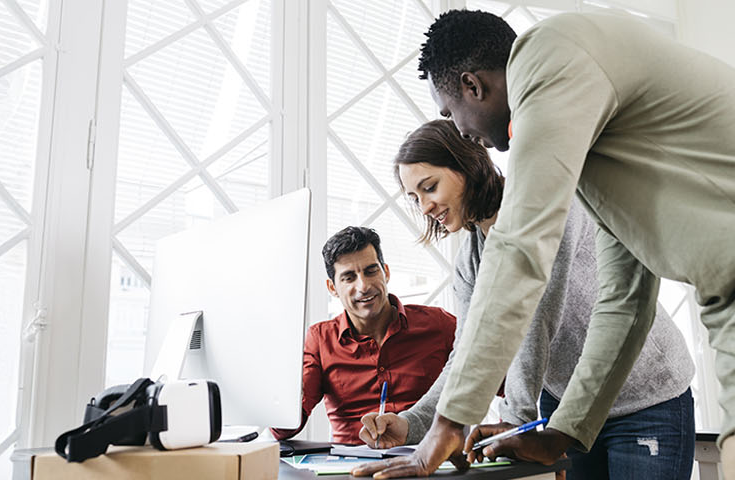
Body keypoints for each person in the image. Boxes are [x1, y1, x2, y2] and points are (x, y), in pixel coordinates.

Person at [353, 10, 735, 478]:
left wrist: (453, 422)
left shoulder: (548, 53)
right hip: (717, 306)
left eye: (450, 112)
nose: (460, 130)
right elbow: (625, 300)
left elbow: (524, 261)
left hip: (650, 393)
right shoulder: (595, 161)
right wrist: (562, 432)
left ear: (473, 85)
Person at [357, 119, 695, 478]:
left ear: (466, 165)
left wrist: (516, 419)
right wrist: (414, 424)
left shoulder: (542, 206)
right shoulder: (470, 260)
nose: (424, 207)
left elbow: (537, 319)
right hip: (566, 409)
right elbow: (468, 353)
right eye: (414, 197)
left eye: (429, 187)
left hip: (645, 398)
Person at [270, 226, 455, 445]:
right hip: (351, 469)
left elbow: (498, 374)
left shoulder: (439, 324)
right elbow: (285, 427)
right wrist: (281, 392)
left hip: (433, 463)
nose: (364, 286)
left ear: (385, 272)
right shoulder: (320, 339)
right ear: (333, 288)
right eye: (349, 278)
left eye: (371, 271)